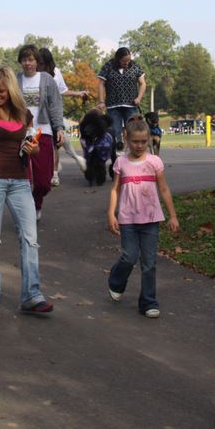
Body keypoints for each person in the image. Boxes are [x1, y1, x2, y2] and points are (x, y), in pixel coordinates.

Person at [0, 66, 54, 314]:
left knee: (30, 238)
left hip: (19, 181)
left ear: (11, 91)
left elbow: (32, 145)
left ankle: (31, 295)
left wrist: (33, 149)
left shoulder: (24, 114)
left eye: (2, 91)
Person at [106, 117, 179, 318]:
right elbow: (115, 190)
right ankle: (116, 281)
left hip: (151, 220)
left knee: (149, 262)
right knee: (129, 257)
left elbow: (164, 189)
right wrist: (111, 213)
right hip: (128, 220)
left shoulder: (155, 162)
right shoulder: (121, 162)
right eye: (135, 141)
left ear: (148, 140)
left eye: (143, 141)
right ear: (126, 139)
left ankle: (148, 302)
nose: (139, 145)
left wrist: (172, 215)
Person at [16, 45, 65, 220]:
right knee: (24, 178)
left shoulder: (46, 79)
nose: (27, 63)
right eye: (24, 60)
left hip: (43, 130)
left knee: (44, 181)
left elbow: (55, 105)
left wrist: (59, 127)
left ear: (37, 61)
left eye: (31, 59)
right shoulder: (16, 80)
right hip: (21, 132)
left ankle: (37, 202)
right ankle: (27, 210)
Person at [37, 47, 88, 186]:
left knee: (55, 145)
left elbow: (63, 91)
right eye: (38, 62)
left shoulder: (56, 73)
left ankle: (54, 174)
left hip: (53, 115)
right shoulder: (32, 74)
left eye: (41, 63)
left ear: (48, 63)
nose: (38, 66)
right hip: (36, 117)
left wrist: (79, 94)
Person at [97, 47, 146, 150]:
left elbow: (142, 83)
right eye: (124, 61)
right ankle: (117, 158)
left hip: (131, 105)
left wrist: (139, 98)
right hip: (113, 105)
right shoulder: (108, 66)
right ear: (118, 59)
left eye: (128, 60)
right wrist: (101, 101)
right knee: (115, 132)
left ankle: (133, 155)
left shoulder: (135, 66)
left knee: (134, 132)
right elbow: (101, 84)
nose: (127, 63)